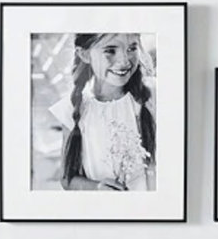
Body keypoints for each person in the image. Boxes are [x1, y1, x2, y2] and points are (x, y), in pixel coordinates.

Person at [49, 33, 156, 191]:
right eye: (110, 50)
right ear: (84, 54)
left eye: (132, 48)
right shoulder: (72, 107)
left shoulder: (152, 95)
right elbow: (67, 179)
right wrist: (97, 187)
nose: (125, 61)